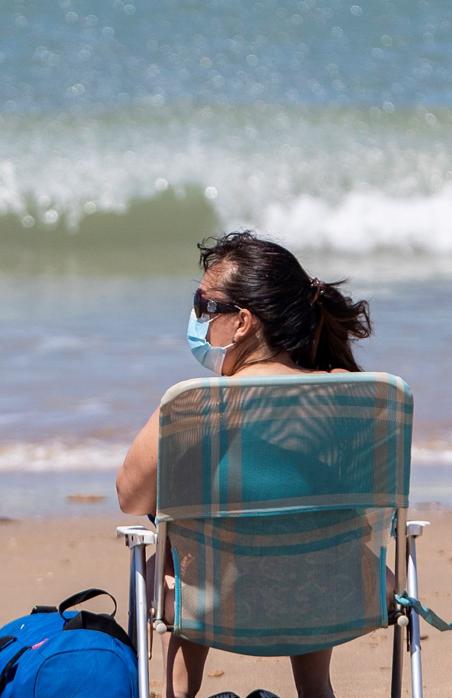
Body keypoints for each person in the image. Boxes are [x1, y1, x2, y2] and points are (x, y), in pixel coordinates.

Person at [115, 231, 373, 698]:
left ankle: (178, 690)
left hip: (214, 600)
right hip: (329, 595)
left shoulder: (192, 406)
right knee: (304, 515)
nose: (196, 319)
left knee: (182, 535)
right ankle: (315, 689)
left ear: (242, 323)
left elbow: (130, 497)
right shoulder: (345, 394)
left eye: (205, 306)